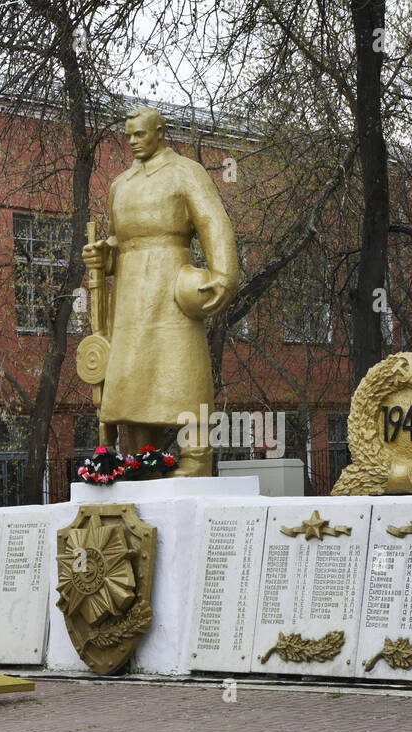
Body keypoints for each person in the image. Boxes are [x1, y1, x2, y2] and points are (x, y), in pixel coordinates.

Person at [81, 107, 239, 477]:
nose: (133, 141)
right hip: (131, 291)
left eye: (140, 134)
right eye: (129, 135)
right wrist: (103, 255)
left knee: (182, 369)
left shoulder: (186, 173)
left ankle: (196, 459)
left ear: (161, 132)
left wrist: (224, 275)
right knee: (134, 375)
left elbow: (213, 223)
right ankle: (141, 460)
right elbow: (119, 241)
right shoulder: (121, 185)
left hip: (170, 282)